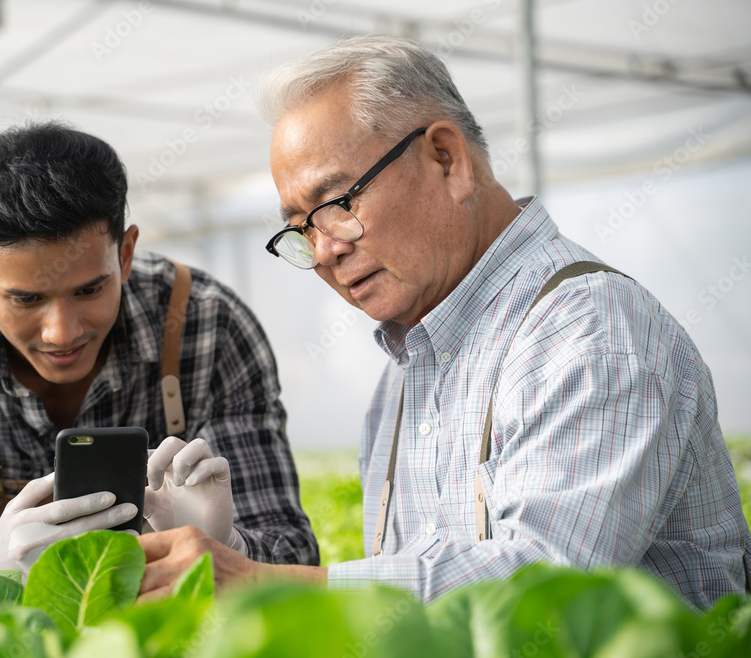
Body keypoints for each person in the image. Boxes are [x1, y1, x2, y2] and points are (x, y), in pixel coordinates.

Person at [138, 35, 751, 607]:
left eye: (336, 205)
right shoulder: (408, 365)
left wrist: (260, 582)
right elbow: (409, 585)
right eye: (300, 229)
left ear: (446, 157)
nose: (323, 250)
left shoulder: (589, 329)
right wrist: (227, 555)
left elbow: (545, 589)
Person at [0, 122, 318, 639]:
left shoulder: (207, 328)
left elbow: (296, 564)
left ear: (125, 255)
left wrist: (228, 546)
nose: (62, 332)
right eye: (27, 299)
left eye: (90, 289)